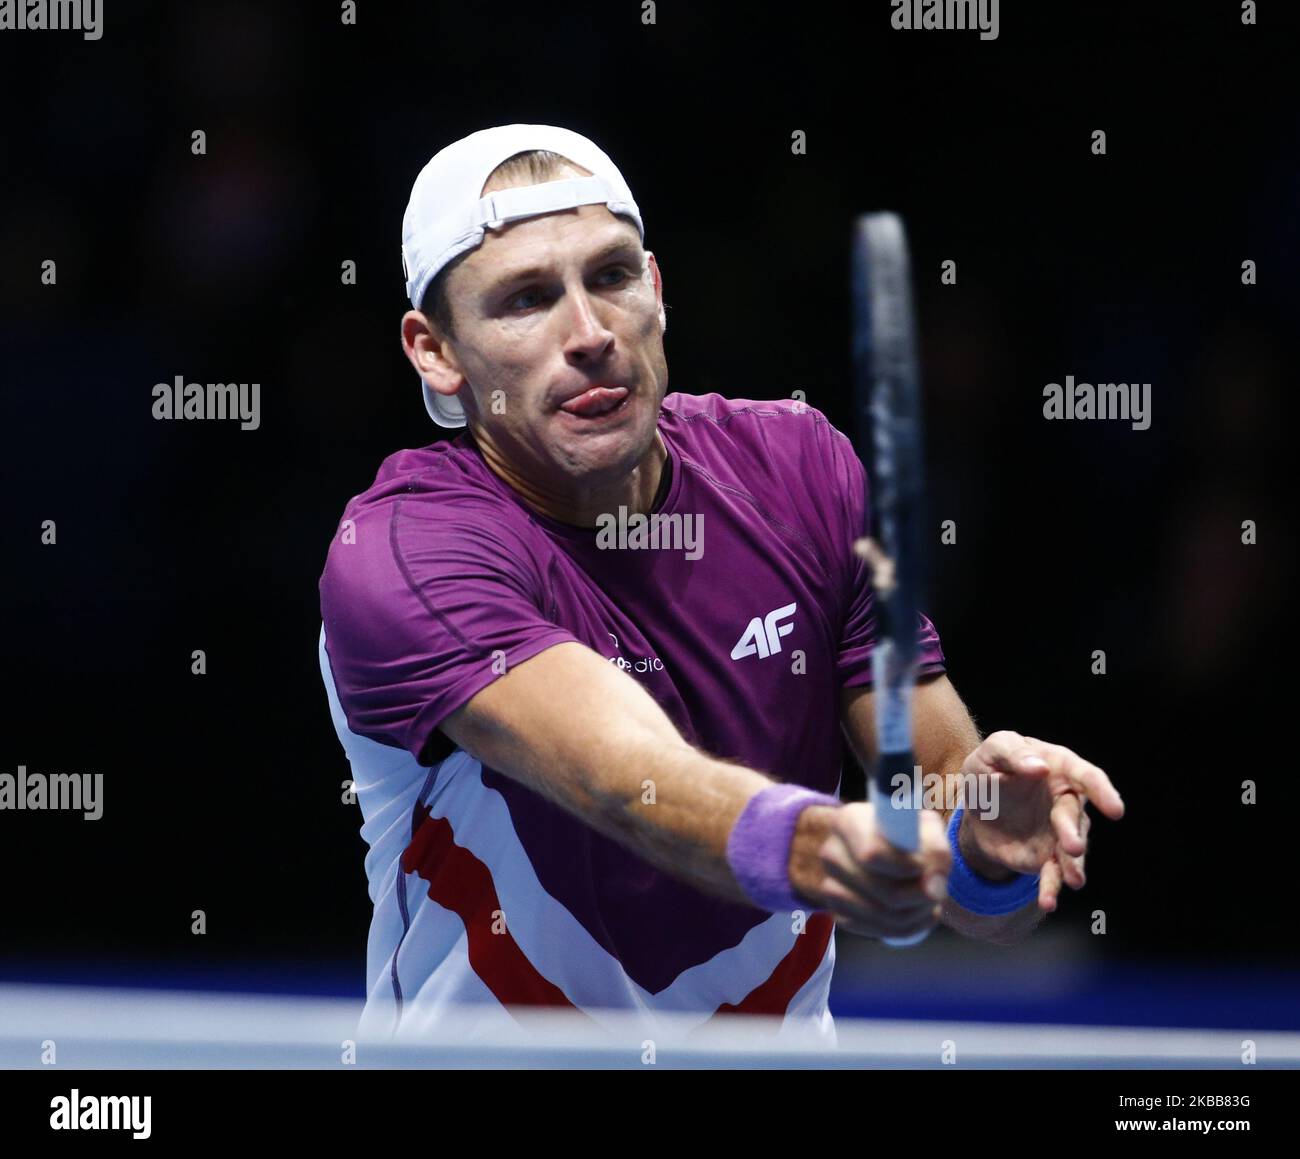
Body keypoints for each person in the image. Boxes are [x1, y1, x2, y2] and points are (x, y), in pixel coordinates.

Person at [317, 124, 1123, 1045]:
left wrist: (985, 846)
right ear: (437, 353)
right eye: (526, 299)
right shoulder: (405, 552)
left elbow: (955, 839)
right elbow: (630, 782)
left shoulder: (801, 471)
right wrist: (819, 845)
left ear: (656, 290)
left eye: (612, 277)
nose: (589, 334)